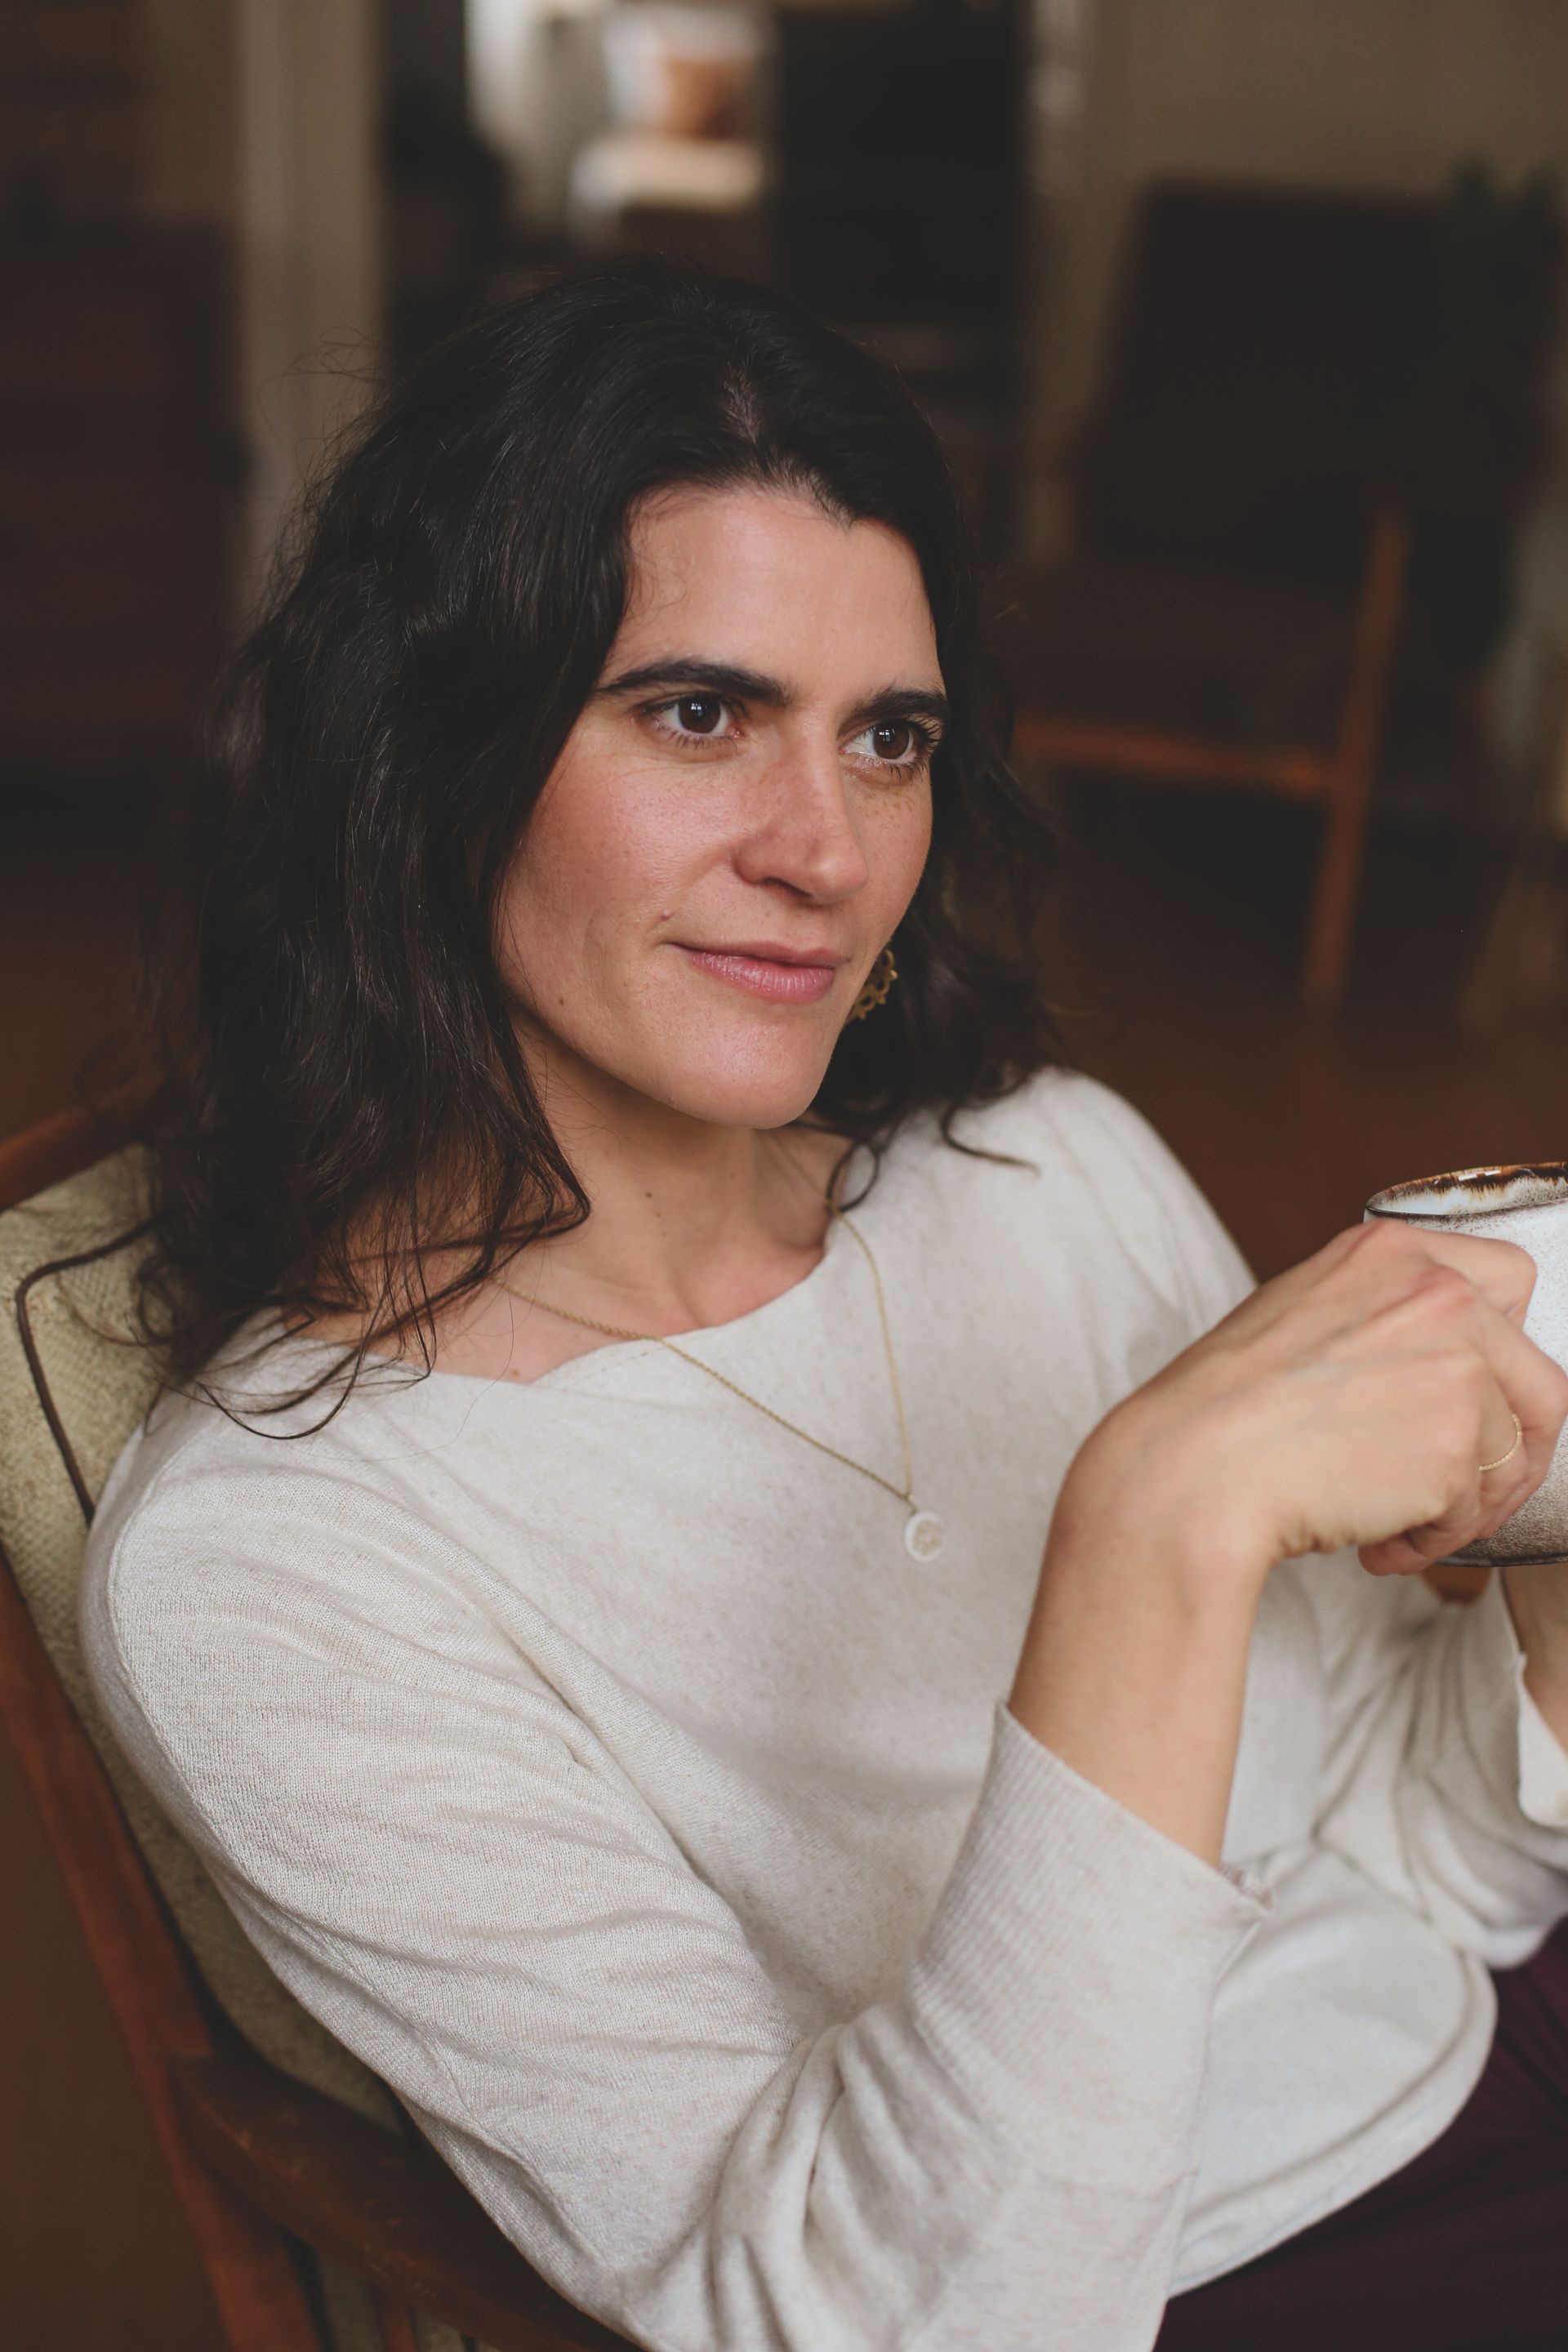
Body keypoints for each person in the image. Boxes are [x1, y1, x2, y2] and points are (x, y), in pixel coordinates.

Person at [80, 260, 1568, 2352]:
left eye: (890, 739)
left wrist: (1554, 1536)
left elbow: (1428, 1865)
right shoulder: (276, 1565)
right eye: (700, 714)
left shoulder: (1043, 1167)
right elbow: (898, 2320)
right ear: (429, 748)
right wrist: (1150, 1533)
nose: (831, 851)